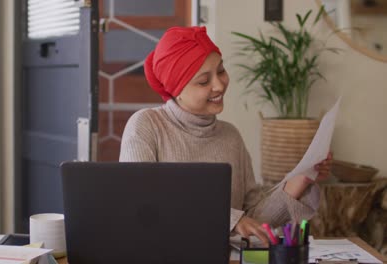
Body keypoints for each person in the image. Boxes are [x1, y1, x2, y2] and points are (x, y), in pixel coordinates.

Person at [119, 26, 332, 245]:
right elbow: (142, 201)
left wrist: (298, 181)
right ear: (176, 90)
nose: (219, 85)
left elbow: (253, 217)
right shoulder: (146, 125)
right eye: (204, 81)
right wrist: (229, 219)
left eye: (221, 71)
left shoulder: (230, 136)